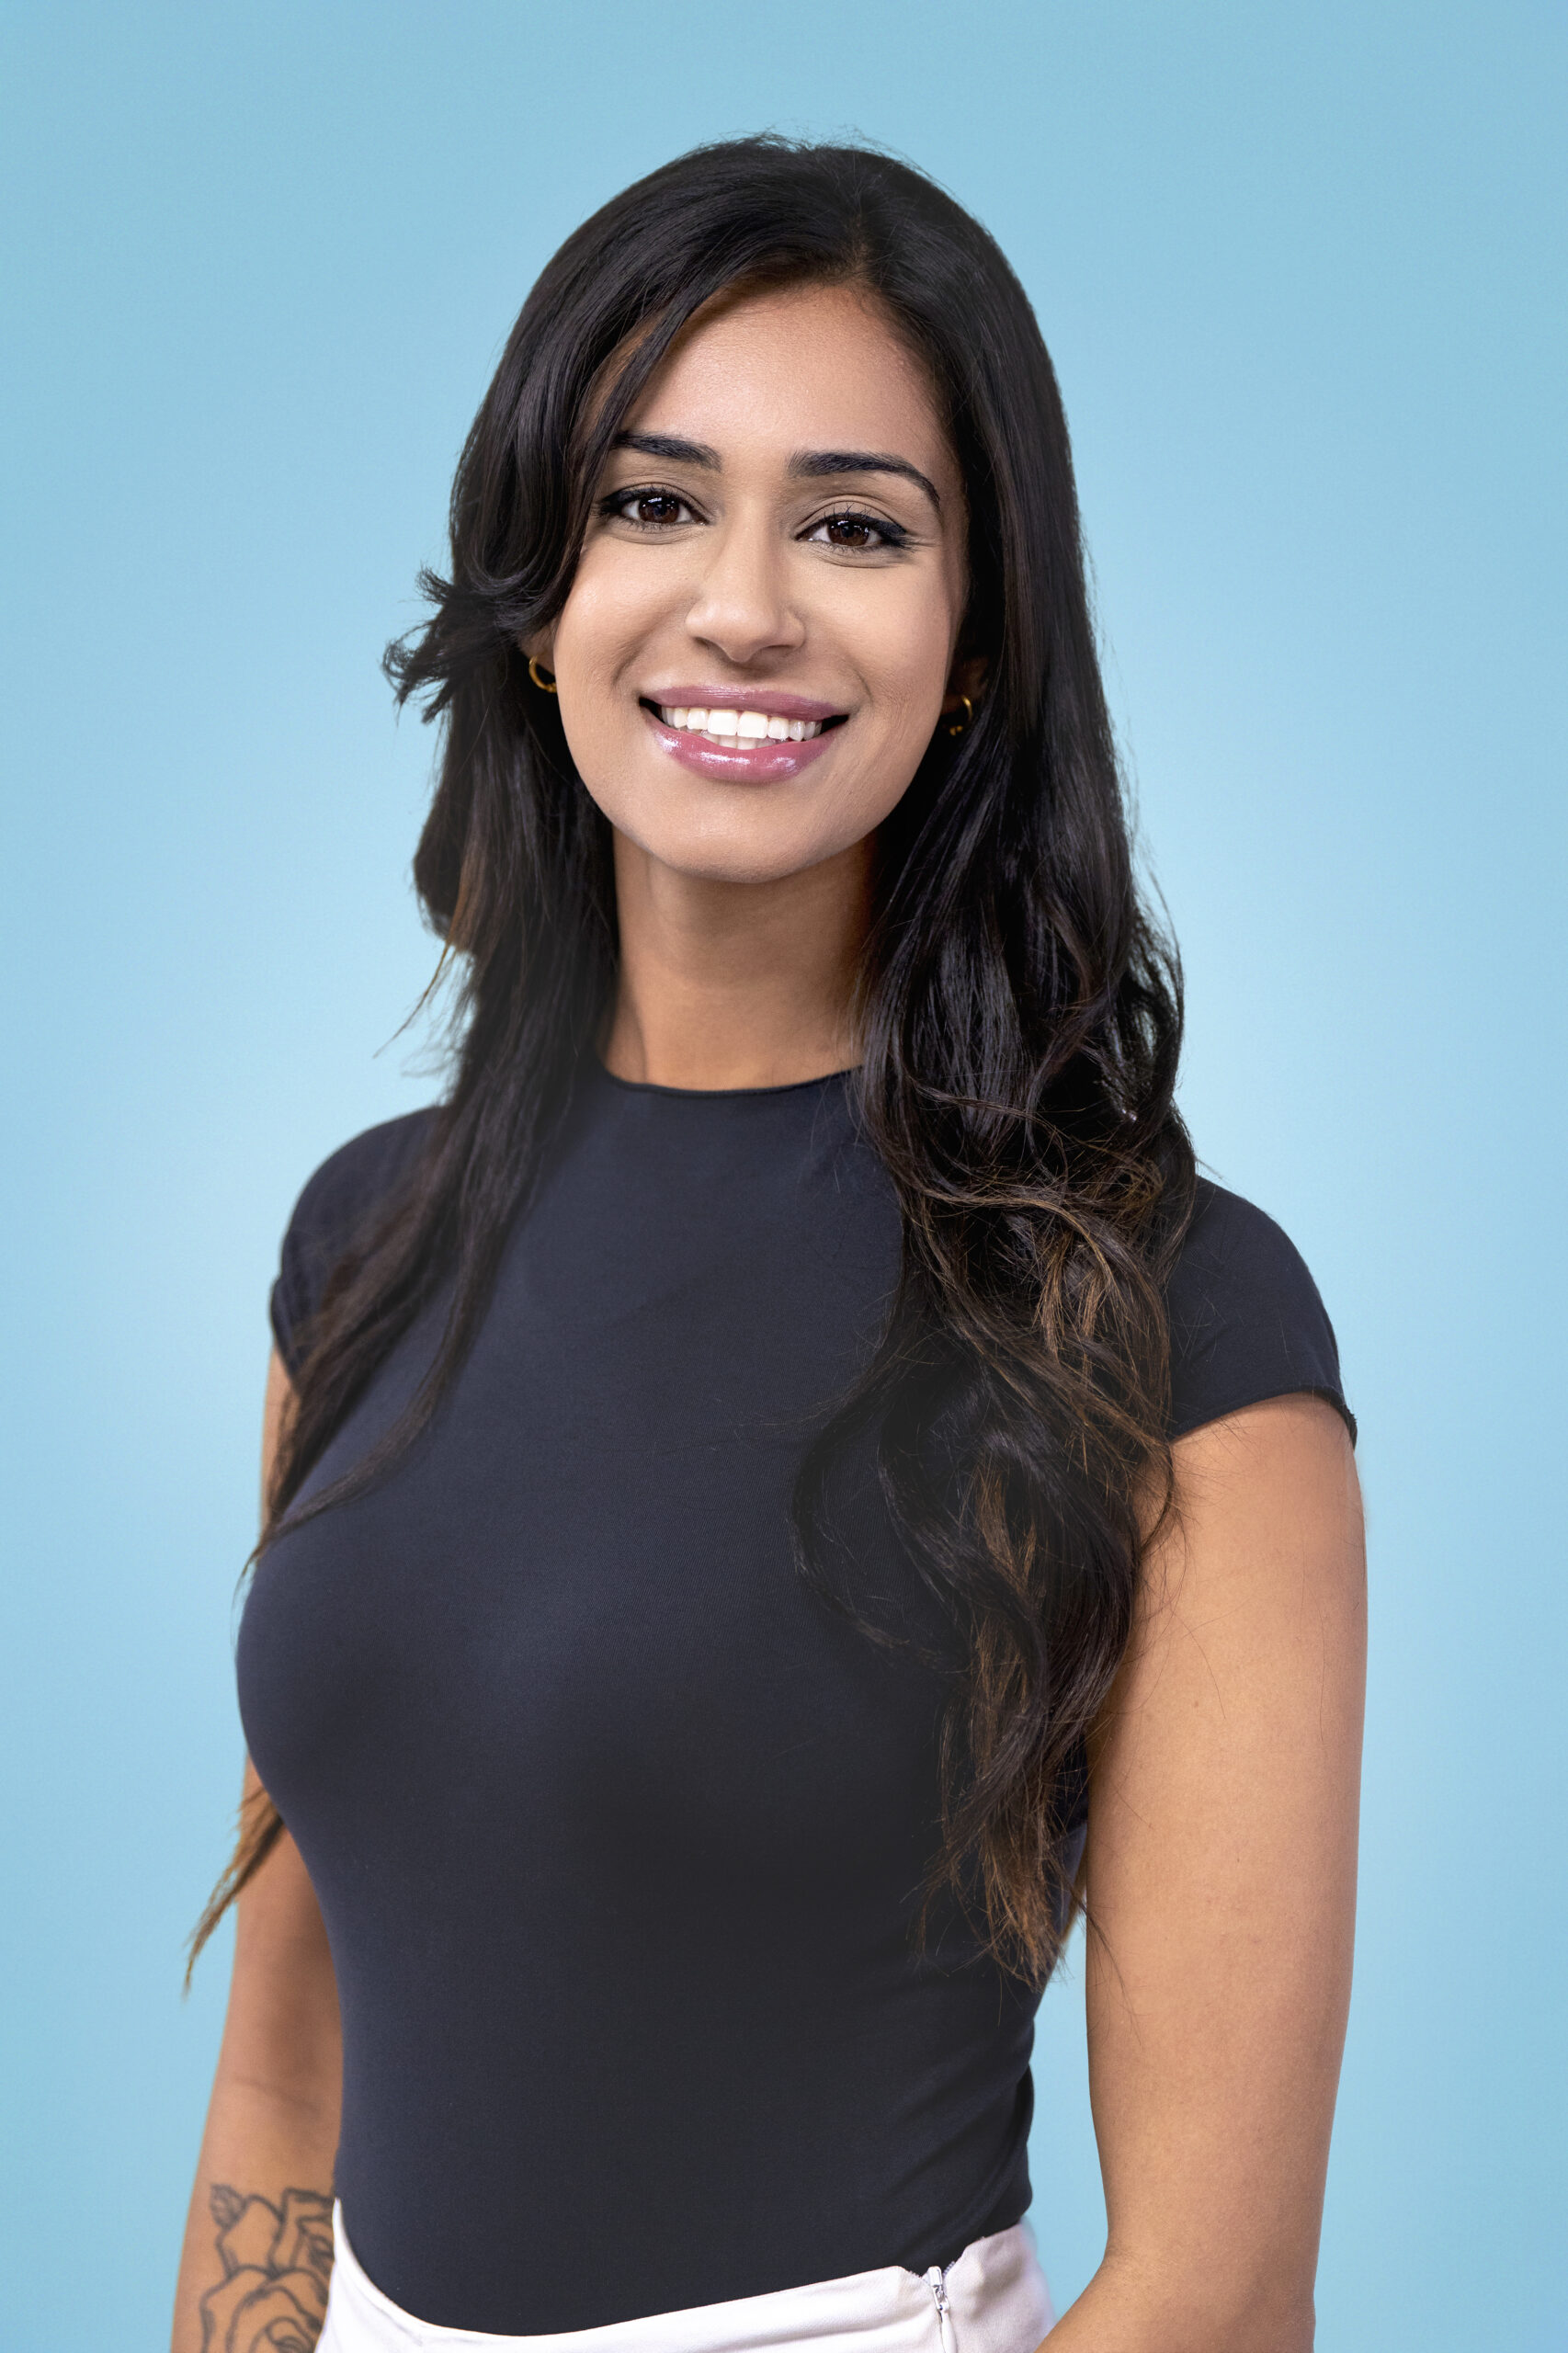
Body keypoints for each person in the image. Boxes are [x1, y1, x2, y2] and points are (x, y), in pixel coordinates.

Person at [171, 138, 1365, 2353]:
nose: (745, 600)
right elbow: (283, 2062)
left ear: (977, 639)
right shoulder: (362, 1244)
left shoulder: (1168, 1315)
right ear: (539, 599)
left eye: (853, 523)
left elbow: (1220, 2284)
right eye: (650, 501)